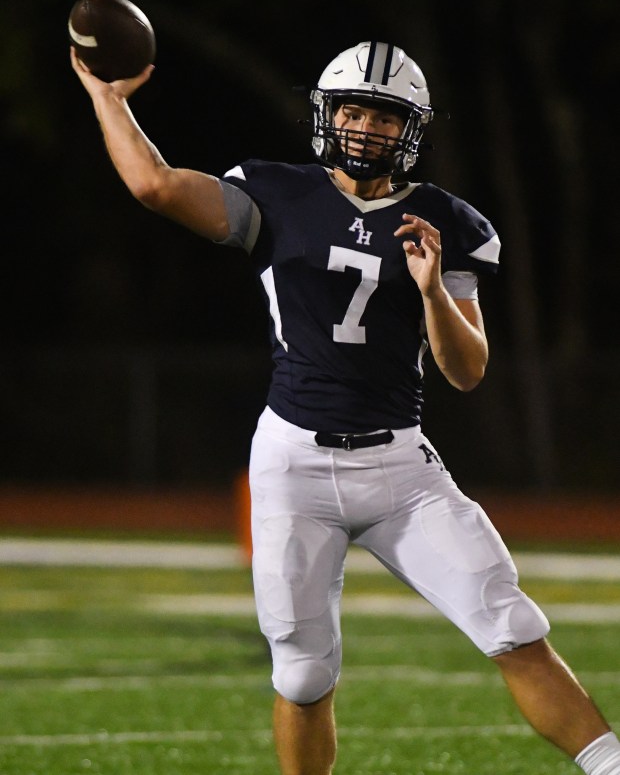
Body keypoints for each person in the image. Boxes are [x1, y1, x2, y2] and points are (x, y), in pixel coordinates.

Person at [71, 39, 620, 775]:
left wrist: (431, 292)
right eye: (354, 110)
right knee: (302, 672)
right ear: (327, 115)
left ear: (412, 129)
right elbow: (157, 186)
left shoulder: (450, 222)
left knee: (514, 626)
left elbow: (467, 370)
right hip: (294, 460)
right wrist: (110, 99)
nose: (366, 128)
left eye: (385, 116)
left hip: (401, 466)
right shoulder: (274, 194)